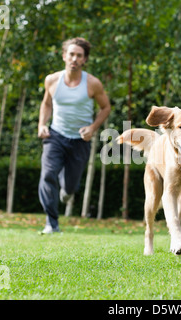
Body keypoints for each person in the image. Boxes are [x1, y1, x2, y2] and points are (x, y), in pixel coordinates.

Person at [38, 37, 111, 234]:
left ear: (85, 59)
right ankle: (51, 223)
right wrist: (41, 124)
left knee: (70, 186)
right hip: (55, 135)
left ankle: (67, 191)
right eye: (71, 54)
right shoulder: (52, 80)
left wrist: (93, 128)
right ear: (64, 56)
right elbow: (46, 103)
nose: (74, 59)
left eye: (79, 56)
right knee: (47, 174)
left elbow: (105, 107)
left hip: (80, 140)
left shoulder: (93, 83)